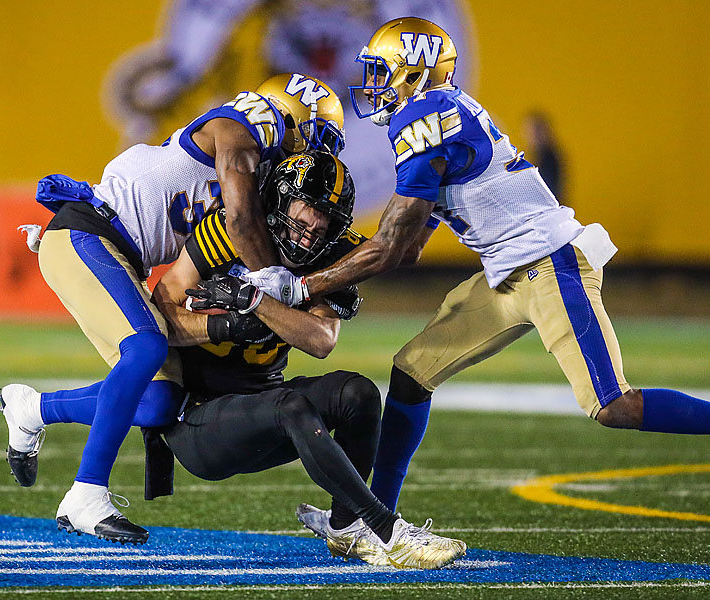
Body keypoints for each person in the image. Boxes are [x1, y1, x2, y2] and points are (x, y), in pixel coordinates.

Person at [234, 17, 710, 539]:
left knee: (613, 405)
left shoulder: (424, 116)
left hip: (550, 264)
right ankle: (371, 520)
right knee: (412, 373)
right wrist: (326, 268)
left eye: (382, 71)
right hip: (508, 273)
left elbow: (390, 246)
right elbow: (408, 248)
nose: (373, 84)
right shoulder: (435, 114)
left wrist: (304, 286)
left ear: (414, 73)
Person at [0, 73, 345, 545]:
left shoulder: (260, 168)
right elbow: (240, 221)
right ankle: (85, 494)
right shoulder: (241, 127)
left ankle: (32, 409)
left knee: (159, 401)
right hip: (91, 232)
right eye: (316, 138)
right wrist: (273, 286)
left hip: (121, 255)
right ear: (294, 118)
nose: (314, 155)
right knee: (145, 347)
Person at [150, 151, 466, 569]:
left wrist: (255, 301)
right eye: (306, 214)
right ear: (278, 202)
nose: (312, 231)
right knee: (291, 406)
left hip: (264, 401)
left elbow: (321, 340)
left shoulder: (332, 256)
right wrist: (222, 326)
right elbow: (159, 317)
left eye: (325, 221)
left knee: (357, 393)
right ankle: (386, 531)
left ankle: (345, 525)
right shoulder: (227, 231)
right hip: (198, 418)